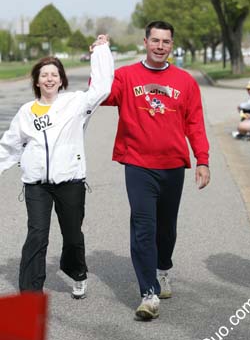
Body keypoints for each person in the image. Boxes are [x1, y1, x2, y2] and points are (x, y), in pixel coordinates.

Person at [103, 21, 210, 320]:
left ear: (171, 45)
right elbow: (100, 94)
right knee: (143, 227)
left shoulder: (185, 81)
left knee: (166, 229)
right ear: (145, 42)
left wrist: (202, 159)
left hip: (172, 165)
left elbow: (195, 123)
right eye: (155, 40)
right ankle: (148, 293)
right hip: (138, 164)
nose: (160, 46)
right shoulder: (125, 76)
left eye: (166, 42)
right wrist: (101, 57)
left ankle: (164, 269)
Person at [0, 35, 114, 299]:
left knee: (73, 235)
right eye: (44, 75)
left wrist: (101, 51)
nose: (49, 78)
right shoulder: (27, 111)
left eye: (54, 74)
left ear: (61, 80)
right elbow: (9, 145)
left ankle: (77, 273)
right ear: (37, 81)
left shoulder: (75, 103)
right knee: (37, 236)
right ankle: (30, 293)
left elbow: (102, 87)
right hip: (37, 185)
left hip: (70, 182)